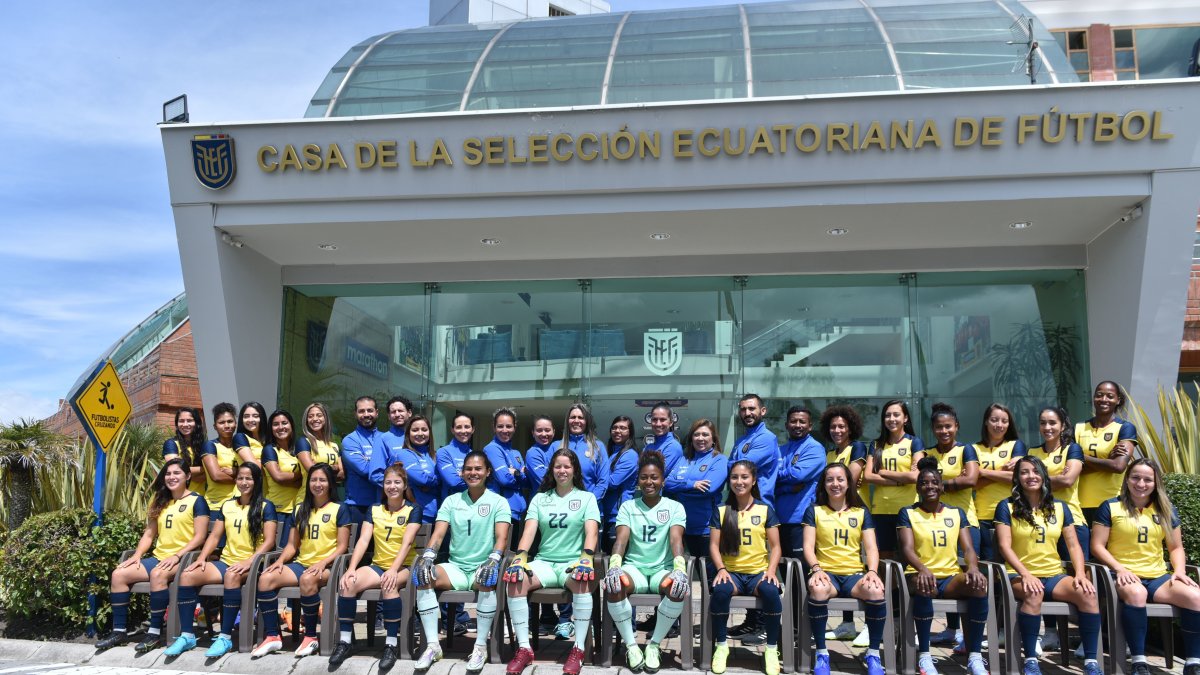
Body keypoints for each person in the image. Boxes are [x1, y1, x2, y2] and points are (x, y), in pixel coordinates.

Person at [1091, 458, 1200, 675]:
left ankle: (1193, 662)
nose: (1141, 483)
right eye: (1136, 477)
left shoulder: (1166, 510)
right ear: (1127, 479)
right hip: (1120, 574)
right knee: (1137, 593)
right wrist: (1120, 569)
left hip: (1158, 576)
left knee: (1195, 597)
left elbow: (1176, 547)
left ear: (1155, 482)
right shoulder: (1110, 506)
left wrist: (1178, 571)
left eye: (1147, 479)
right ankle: (1139, 661)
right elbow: (1097, 546)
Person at [994, 456, 1100, 675]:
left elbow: (1073, 546)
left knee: (1088, 593)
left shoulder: (1060, 507)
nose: (1030, 476)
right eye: (1024, 472)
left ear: (1043, 476)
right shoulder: (1007, 506)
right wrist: (1025, 574)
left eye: (1035, 471)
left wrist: (1080, 573)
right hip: (1018, 575)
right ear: (1017, 478)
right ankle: (1031, 659)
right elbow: (1005, 547)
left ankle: (1091, 661)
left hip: (1054, 574)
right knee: (1034, 593)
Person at [96, 458, 211, 652]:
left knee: (158, 574)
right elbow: (149, 534)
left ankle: (155, 633)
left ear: (188, 476)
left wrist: (176, 556)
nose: (171, 477)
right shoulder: (160, 499)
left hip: (184, 559)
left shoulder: (197, 501)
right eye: (168, 473)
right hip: (159, 558)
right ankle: (119, 631)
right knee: (119, 574)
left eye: (177, 473)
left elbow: (200, 537)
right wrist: (137, 555)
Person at [503, 448, 601, 675]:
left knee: (582, 579)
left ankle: (578, 649)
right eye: (558, 466)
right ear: (552, 470)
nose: (562, 471)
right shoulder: (540, 498)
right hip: (545, 563)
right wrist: (520, 557)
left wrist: (586, 557)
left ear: (575, 470)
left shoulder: (587, 498)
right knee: (516, 579)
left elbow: (592, 532)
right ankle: (524, 649)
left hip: (572, 562)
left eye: (567, 466)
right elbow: (529, 531)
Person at [412, 450, 512, 672]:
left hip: (482, 567)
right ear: (461, 472)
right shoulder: (451, 500)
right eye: (468, 469)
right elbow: (438, 535)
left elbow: (502, 538)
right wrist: (429, 555)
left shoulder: (499, 501)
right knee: (423, 575)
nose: (473, 473)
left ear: (487, 472)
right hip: (456, 567)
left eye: (478, 469)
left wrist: (493, 560)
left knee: (489, 578)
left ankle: (480, 646)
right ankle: (432, 646)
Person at [164, 462, 278, 657]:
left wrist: (250, 561)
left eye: (248, 478)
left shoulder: (266, 506)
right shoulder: (228, 505)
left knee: (231, 576)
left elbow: (269, 541)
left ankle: (224, 637)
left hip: (252, 564)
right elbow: (215, 537)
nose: (244, 482)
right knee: (187, 575)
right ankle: (187, 635)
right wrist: (201, 557)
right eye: (240, 478)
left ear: (257, 481)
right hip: (226, 561)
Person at [897, 457, 988, 675]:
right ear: (918, 488)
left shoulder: (956, 513)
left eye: (934, 482)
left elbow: (967, 549)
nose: (930, 486)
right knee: (924, 584)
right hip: (918, 575)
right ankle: (925, 656)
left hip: (948, 577)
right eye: (924, 483)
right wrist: (922, 568)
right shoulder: (908, 512)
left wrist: (973, 568)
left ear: (941, 487)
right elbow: (907, 549)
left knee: (978, 585)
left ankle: (974, 655)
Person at [603, 451, 690, 675]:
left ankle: (654, 645)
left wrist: (680, 569)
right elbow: (621, 541)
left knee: (677, 588)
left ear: (663, 480)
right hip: (635, 568)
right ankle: (632, 646)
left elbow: (676, 540)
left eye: (654, 477)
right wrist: (614, 565)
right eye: (643, 477)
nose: (649, 482)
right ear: (638, 480)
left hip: (663, 568)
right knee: (614, 585)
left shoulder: (674, 507)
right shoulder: (628, 506)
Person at [252, 463, 351, 657]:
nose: (317, 484)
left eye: (322, 480)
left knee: (307, 579)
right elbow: (291, 545)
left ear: (330, 484)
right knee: (265, 578)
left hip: (328, 566)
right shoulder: (300, 509)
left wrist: (323, 562)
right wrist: (280, 561)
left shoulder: (339, 509)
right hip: (302, 564)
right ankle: (273, 635)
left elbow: (342, 547)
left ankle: (311, 636)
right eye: (313, 480)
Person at [330, 462, 422, 669]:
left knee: (389, 586)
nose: (392, 486)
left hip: (404, 566)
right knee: (347, 584)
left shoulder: (413, 509)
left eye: (397, 482)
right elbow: (363, 541)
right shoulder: (374, 509)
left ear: (405, 485)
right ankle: (345, 641)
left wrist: (392, 570)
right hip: (378, 565)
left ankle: (391, 644)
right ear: (383, 485)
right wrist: (351, 568)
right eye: (388, 482)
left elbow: (408, 543)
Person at [802, 463, 887, 675]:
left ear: (849, 483)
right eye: (830, 479)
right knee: (819, 589)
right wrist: (816, 568)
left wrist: (872, 571)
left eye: (840, 479)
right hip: (826, 572)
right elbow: (808, 547)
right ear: (824, 484)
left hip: (854, 574)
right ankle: (822, 653)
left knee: (876, 591)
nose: (835, 484)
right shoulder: (814, 510)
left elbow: (872, 548)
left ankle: (874, 654)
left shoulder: (861, 512)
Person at [708, 460, 784, 675]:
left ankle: (771, 648)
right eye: (734, 477)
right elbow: (713, 546)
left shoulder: (764, 509)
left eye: (744, 477)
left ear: (753, 480)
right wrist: (721, 569)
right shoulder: (722, 510)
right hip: (731, 573)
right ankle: (721, 646)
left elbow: (776, 547)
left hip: (758, 573)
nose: (739, 481)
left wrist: (770, 572)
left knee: (771, 593)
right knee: (720, 593)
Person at [1024, 406, 1089, 653]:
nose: (1047, 427)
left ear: (1063, 425)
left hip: (1072, 521)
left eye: (1052, 423)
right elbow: (1032, 480)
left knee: (1080, 579)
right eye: (1043, 423)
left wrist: (1037, 476)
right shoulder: (1032, 451)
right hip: (1041, 521)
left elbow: (1068, 480)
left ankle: (1085, 637)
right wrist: (1053, 475)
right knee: (1045, 575)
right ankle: (1050, 633)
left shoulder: (1073, 449)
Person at [548, 403, 611, 640]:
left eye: (580, 418)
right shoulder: (557, 446)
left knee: (587, 566)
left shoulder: (597, 447)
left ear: (587, 421)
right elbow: (553, 477)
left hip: (591, 514)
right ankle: (565, 620)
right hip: (561, 515)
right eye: (572, 417)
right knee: (564, 562)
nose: (576, 421)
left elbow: (604, 481)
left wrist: (584, 503)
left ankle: (588, 618)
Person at [923, 403, 980, 652]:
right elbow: (922, 483)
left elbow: (971, 479)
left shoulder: (967, 450)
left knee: (967, 575)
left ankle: (970, 639)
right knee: (944, 574)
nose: (944, 431)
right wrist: (951, 482)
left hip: (965, 520)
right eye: (939, 427)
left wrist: (940, 483)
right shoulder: (928, 453)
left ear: (956, 427)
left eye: (948, 426)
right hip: (936, 522)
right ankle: (950, 629)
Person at [728, 393, 782, 643]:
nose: (747, 413)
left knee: (760, 564)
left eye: (752, 408)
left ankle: (763, 625)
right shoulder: (742, 439)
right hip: (740, 508)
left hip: (760, 508)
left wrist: (730, 465)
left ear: (762, 411)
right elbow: (733, 465)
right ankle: (751, 622)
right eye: (743, 409)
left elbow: (740, 467)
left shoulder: (767, 438)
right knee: (745, 561)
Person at [819, 404, 870, 644]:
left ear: (851, 427)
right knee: (843, 567)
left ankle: (870, 625)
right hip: (835, 515)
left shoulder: (857, 447)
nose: (837, 430)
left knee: (861, 568)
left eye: (841, 426)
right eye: (833, 427)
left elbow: (849, 479)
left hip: (857, 514)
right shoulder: (831, 453)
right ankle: (848, 625)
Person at [864, 400, 925, 560]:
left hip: (908, 508)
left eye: (896, 415)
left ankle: (905, 586)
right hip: (881, 509)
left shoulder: (914, 442)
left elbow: (915, 476)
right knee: (884, 557)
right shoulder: (876, 444)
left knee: (908, 556)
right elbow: (868, 476)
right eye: (887, 415)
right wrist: (899, 480)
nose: (892, 419)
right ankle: (890, 586)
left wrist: (883, 472)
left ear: (905, 418)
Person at [972, 403, 1027, 563]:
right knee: (989, 562)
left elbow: (1019, 479)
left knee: (1012, 561)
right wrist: (1003, 472)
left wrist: (983, 472)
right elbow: (972, 483)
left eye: (1004, 421)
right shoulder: (973, 449)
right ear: (986, 422)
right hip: (983, 515)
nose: (999, 425)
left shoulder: (1016, 446)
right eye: (994, 420)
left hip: (1013, 512)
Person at [666, 418, 729, 557]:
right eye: (696, 434)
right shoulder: (684, 459)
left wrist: (680, 491)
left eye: (705, 434)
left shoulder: (719, 459)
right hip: (684, 527)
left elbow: (709, 489)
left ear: (713, 439)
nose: (700, 438)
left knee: (709, 575)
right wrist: (691, 484)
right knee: (692, 571)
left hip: (708, 528)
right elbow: (667, 483)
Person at [1077, 381, 1137, 525]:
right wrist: (1107, 461)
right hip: (1079, 504)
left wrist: (1082, 458)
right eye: (1099, 395)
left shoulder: (1125, 428)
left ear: (1118, 400)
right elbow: (1071, 469)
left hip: (1112, 503)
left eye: (1110, 396)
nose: (1104, 399)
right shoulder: (1078, 428)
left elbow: (1118, 466)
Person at [775, 406, 826, 558]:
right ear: (786, 425)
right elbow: (769, 481)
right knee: (785, 571)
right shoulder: (780, 450)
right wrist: (787, 488)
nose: (797, 425)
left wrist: (776, 476)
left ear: (810, 426)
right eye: (793, 421)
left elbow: (797, 475)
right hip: (778, 519)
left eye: (802, 422)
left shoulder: (815, 449)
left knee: (802, 573)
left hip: (801, 519)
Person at [262, 409, 308, 544]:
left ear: (291, 426)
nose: (281, 427)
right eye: (276, 424)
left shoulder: (298, 449)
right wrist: (301, 475)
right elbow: (278, 477)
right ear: (270, 428)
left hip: (298, 509)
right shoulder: (269, 450)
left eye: (284, 423)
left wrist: (292, 479)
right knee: (277, 552)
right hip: (278, 510)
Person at [341, 396, 384, 524]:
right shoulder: (350, 440)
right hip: (358, 506)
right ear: (355, 414)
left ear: (377, 412)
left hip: (385, 505)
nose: (366, 414)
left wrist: (369, 460)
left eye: (370, 410)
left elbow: (398, 470)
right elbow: (364, 469)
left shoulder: (385, 438)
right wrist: (385, 464)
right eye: (361, 411)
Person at [483, 407, 529, 526]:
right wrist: (519, 474)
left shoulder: (516, 453)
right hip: (500, 513)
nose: (504, 430)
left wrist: (515, 473)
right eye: (500, 426)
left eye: (509, 426)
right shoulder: (492, 449)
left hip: (516, 512)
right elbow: (504, 479)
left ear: (515, 427)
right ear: (494, 427)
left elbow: (527, 482)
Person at [603, 415, 640, 554]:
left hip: (618, 516)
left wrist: (592, 475)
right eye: (615, 427)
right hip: (607, 514)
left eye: (623, 428)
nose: (618, 431)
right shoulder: (611, 452)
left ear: (630, 432)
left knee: (616, 560)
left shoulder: (630, 455)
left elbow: (612, 482)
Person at [395, 415, 441, 521]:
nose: (420, 433)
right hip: (417, 514)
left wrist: (433, 482)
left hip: (440, 514)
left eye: (424, 430)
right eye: (415, 430)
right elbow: (422, 479)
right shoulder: (404, 454)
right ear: (408, 434)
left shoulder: (435, 455)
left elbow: (445, 480)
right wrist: (438, 480)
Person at [200, 402, 240, 510]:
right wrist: (244, 480)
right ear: (215, 426)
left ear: (236, 423)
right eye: (221, 422)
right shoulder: (210, 445)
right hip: (216, 506)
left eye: (230, 421)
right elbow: (216, 476)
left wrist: (236, 472)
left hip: (239, 505)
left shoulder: (241, 447)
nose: (227, 425)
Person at [163, 407, 207, 500]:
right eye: (181, 421)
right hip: (179, 497)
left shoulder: (204, 444)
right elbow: (176, 469)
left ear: (197, 423)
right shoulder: (171, 444)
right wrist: (206, 469)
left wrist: (189, 473)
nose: (185, 424)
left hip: (203, 496)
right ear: (177, 424)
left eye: (189, 420)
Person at [370, 395, 414, 487]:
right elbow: (375, 475)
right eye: (393, 412)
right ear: (389, 416)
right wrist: (402, 487)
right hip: (397, 498)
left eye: (400, 411)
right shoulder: (383, 439)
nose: (397, 414)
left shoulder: (419, 437)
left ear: (409, 413)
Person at [300, 402, 344, 485]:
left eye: (319, 415)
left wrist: (319, 465)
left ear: (325, 418)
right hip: (308, 496)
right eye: (310, 416)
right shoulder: (303, 442)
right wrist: (335, 467)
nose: (315, 419)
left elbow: (342, 474)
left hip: (330, 496)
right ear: (306, 421)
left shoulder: (334, 445)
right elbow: (312, 470)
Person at [436, 412, 476, 501]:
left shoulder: (474, 455)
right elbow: (453, 482)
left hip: (473, 505)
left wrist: (463, 474)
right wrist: (475, 481)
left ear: (473, 429)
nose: (463, 431)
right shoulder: (443, 452)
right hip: (452, 507)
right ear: (452, 430)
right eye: (458, 427)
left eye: (467, 427)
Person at [644, 402, 684, 477]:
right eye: (655, 419)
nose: (658, 424)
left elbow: (657, 475)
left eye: (662, 420)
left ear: (671, 422)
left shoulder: (673, 447)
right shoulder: (648, 447)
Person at [525, 415, 557, 487]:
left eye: (547, 430)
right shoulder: (532, 453)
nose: (543, 434)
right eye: (539, 430)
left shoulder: (559, 447)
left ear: (554, 432)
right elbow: (545, 481)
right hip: (543, 497)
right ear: (533, 433)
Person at [233, 401, 269, 466]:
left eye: (255, 416)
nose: (250, 420)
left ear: (262, 418)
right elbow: (254, 465)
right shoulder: (240, 438)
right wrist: (272, 465)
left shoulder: (268, 440)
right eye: (246, 416)